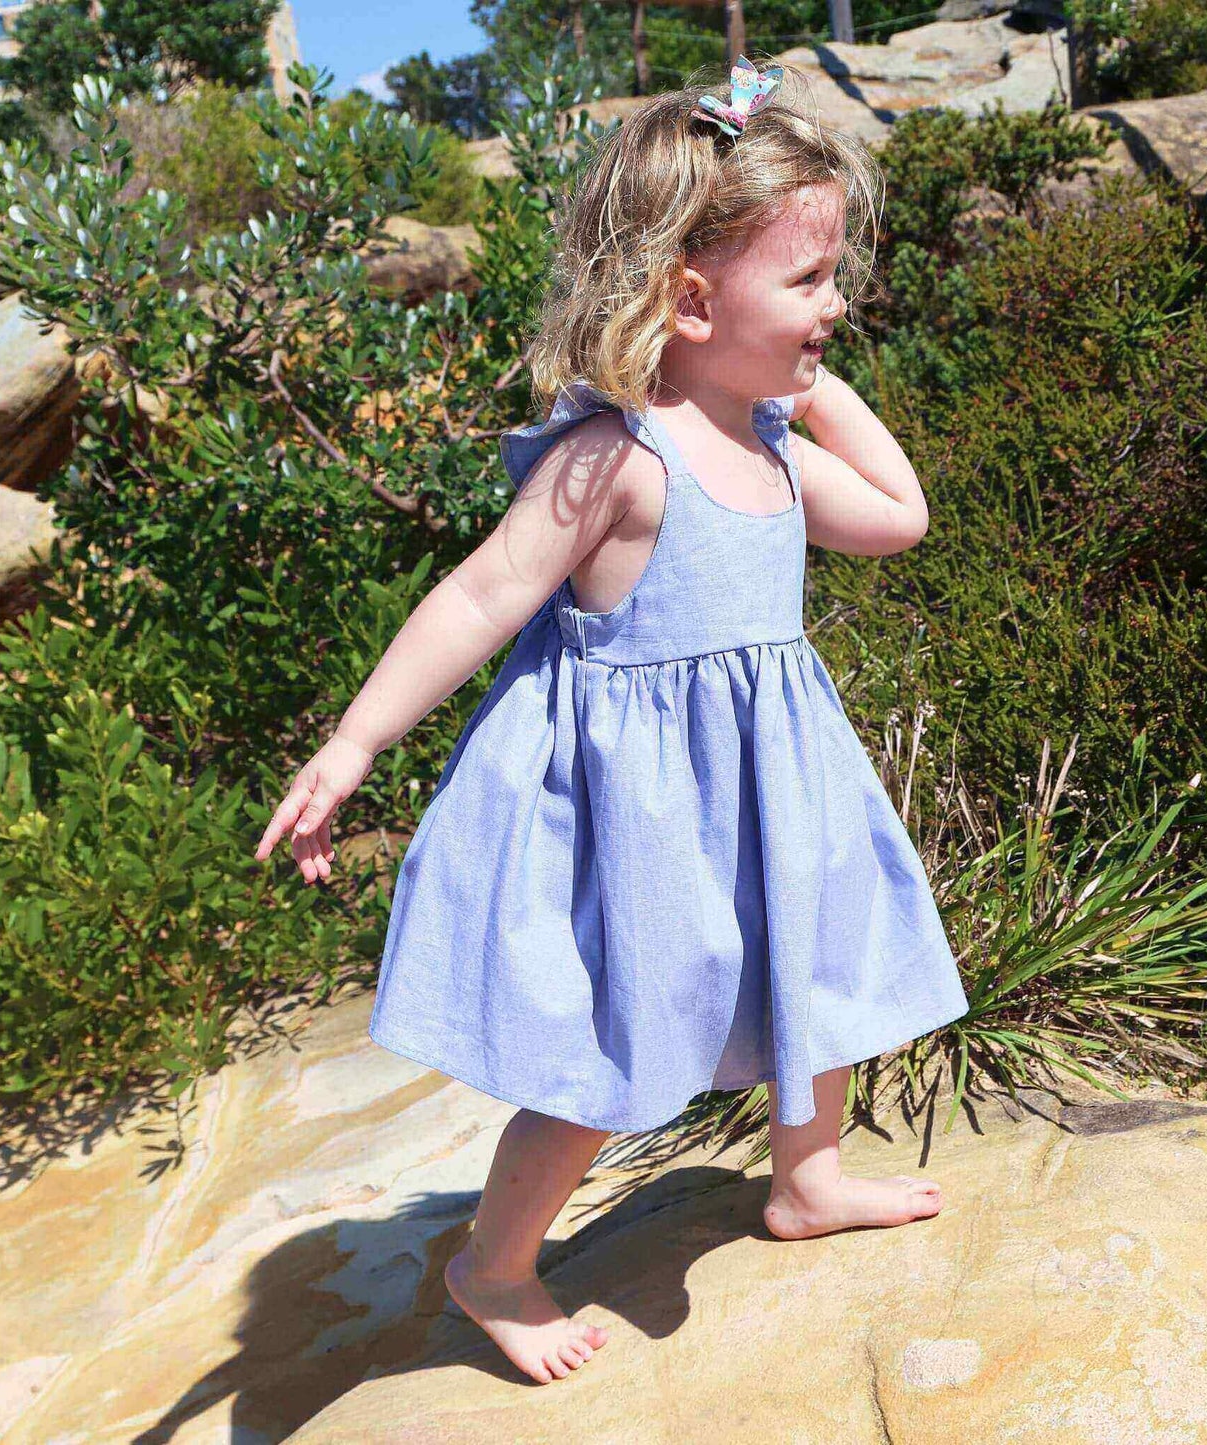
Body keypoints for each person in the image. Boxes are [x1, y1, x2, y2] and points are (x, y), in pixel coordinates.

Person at [253, 56, 970, 1387]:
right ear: (691, 299)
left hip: (766, 783)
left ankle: (803, 1178)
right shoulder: (618, 457)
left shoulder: (764, 443)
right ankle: (495, 1263)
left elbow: (898, 515)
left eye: (833, 282)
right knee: (607, 1051)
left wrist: (802, 379)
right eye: (808, 283)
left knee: (804, 972)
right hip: (639, 815)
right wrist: (350, 747)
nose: (837, 307)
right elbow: (477, 597)